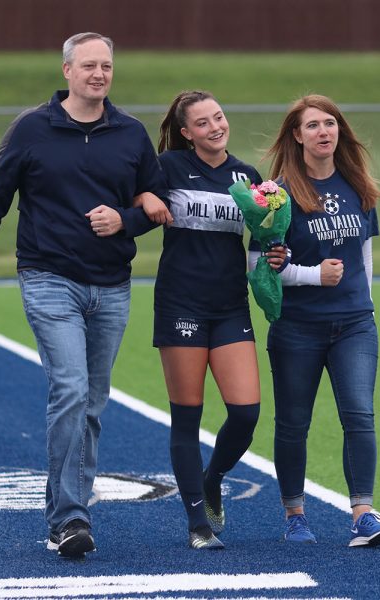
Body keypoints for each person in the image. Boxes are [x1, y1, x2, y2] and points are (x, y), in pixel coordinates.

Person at [0, 32, 168, 559]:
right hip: (49, 278)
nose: (99, 74)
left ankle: (63, 511)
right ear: (67, 70)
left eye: (107, 66)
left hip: (113, 285)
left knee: (92, 403)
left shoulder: (131, 134)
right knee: (71, 389)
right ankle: (72, 518)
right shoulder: (31, 129)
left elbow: (159, 203)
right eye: (89, 65)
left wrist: (127, 219)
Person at [135, 91, 286, 550]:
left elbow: (260, 241)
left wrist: (273, 254)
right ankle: (198, 525)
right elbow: (134, 192)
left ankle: (213, 476)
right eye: (202, 123)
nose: (215, 127)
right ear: (186, 133)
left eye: (218, 117)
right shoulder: (168, 167)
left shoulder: (248, 176)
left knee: (245, 413)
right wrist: (145, 196)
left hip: (229, 306)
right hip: (181, 304)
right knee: (188, 416)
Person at [253, 94, 380, 547]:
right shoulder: (275, 195)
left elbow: (364, 254)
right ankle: (295, 515)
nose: (323, 131)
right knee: (294, 423)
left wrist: (364, 302)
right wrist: (314, 276)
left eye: (329, 123)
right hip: (297, 327)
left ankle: (363, 514)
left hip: (354, 325)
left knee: (359, 415)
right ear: (297, 136)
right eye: (312, 125)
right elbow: (260, 267)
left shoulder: (357, 185)